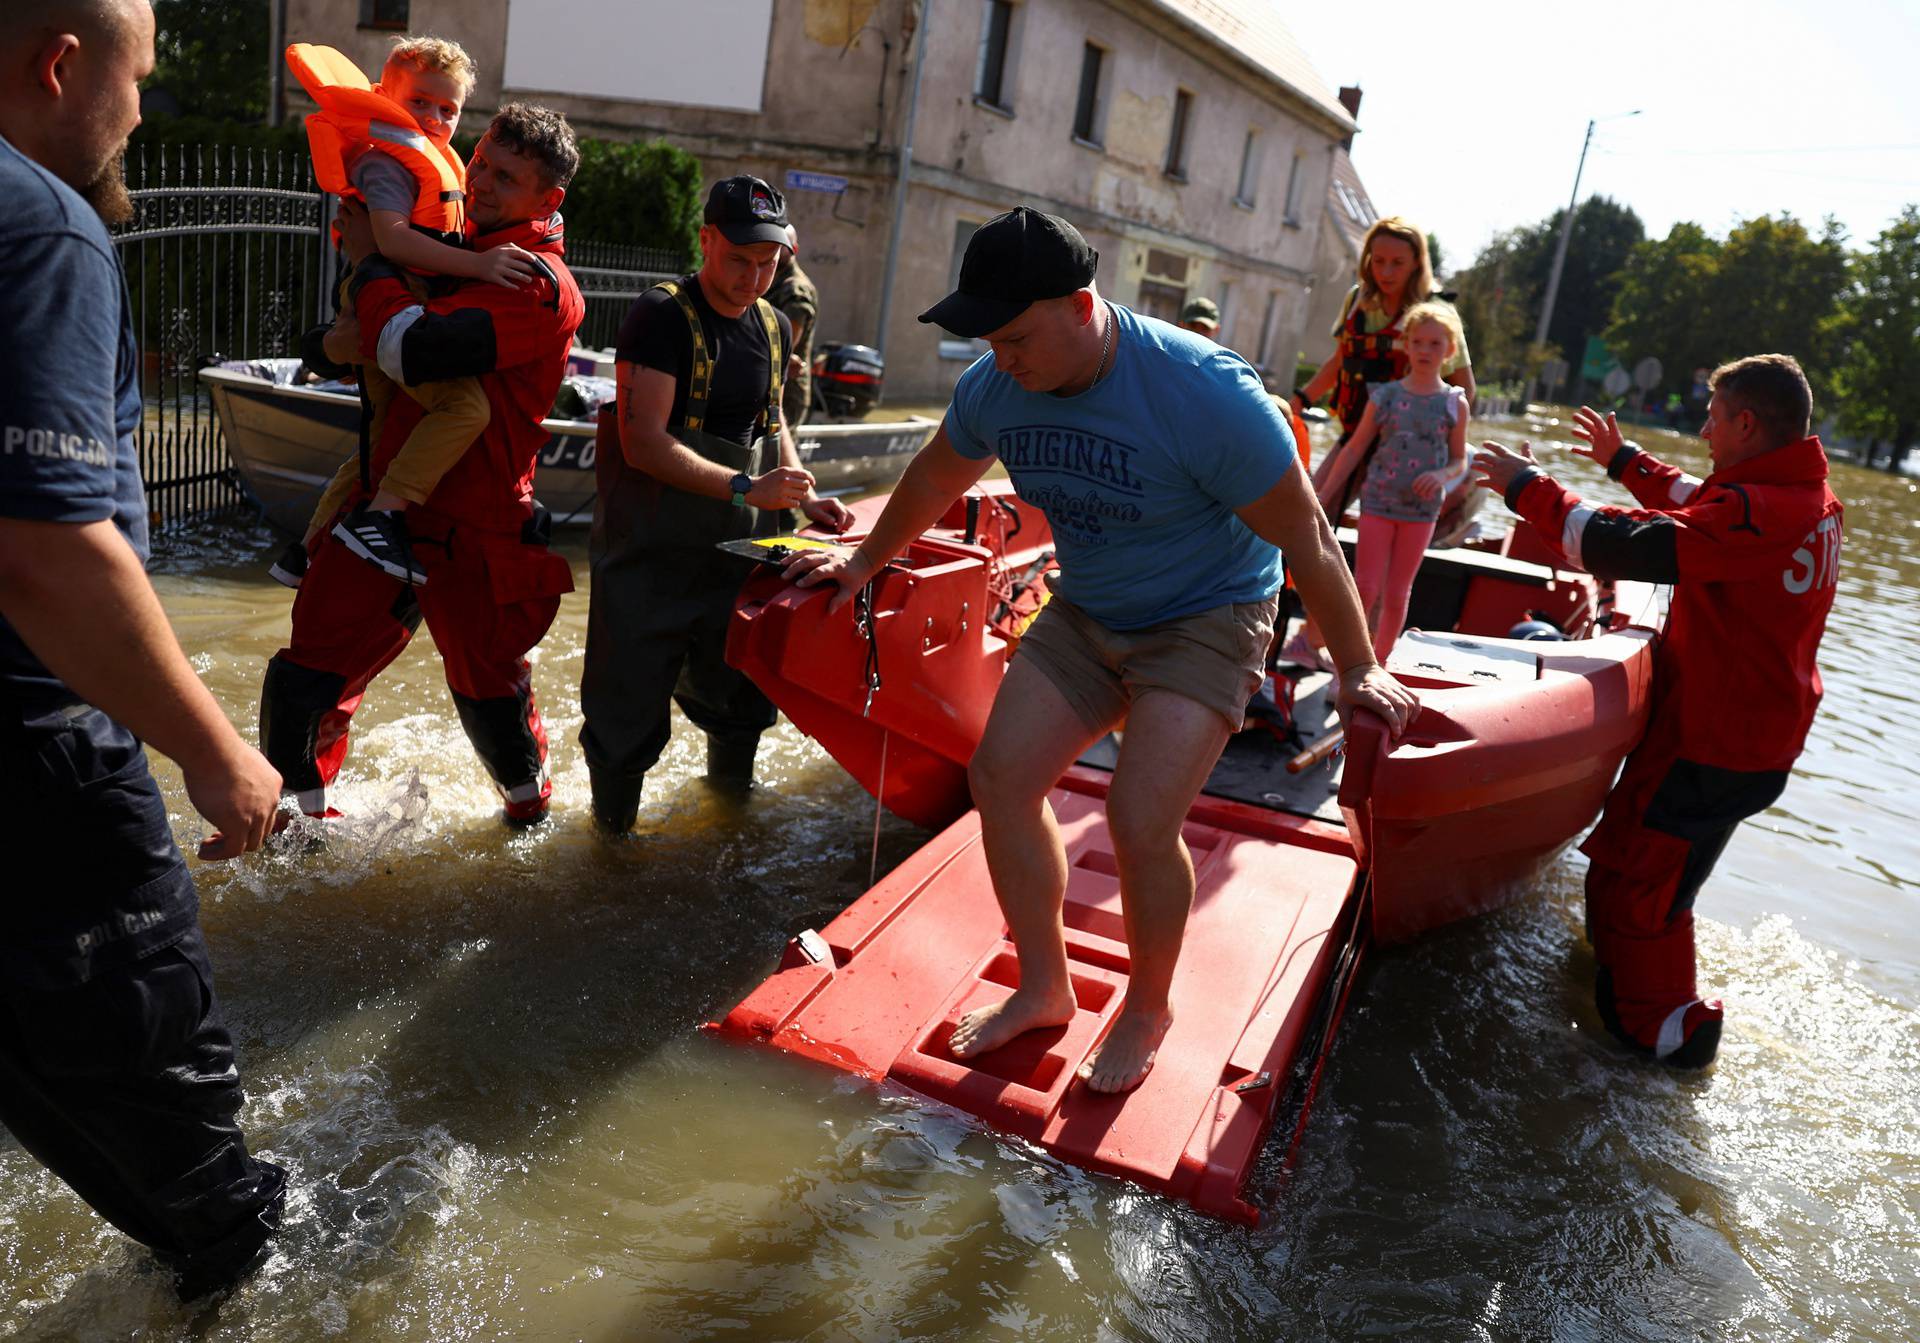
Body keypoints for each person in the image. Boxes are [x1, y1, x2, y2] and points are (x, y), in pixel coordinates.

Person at [782, 208, 1418, 1093]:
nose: (1001, 361)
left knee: (1138, 816)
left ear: (1082, 306)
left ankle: (1149, 1005)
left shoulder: (1203, 393)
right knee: (999, 778)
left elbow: (1309, 536)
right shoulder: (999, 383)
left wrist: (1357, 668)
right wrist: (860, 563)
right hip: (1086, 608)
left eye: (1015, 338)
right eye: (988, 342)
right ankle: (1045, 987)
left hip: (1207, 615)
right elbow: (936, 473)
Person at [0, 0, 287, 1299]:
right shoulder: (42, 223)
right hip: (40, 777)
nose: (139, 112)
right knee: (220, 1212)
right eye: (138, 78)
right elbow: (48, 555)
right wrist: (217, 751)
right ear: (64, 64)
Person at [1472, 357, 1841, 1067]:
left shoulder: (1761, 512)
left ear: (1746, 423)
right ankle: (1628, 994)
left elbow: (1622, 546)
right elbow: (1703, 499)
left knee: (1643, 887)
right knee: (1638, 876)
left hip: (1715, 742)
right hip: (1747, 736)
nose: (1702, 430)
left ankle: (1667, 1039)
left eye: (1712, 416)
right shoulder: (1801, 494)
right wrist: (1626, 462)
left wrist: (1527, 488)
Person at [260, 104, 585, 825]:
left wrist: (372, 256)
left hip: (478, 524)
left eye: (505, 177)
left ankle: (529, 821)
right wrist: (339, 334)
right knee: (304, 677)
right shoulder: (440, 239)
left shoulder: (537, 282)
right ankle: (295, 846)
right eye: (478, 164)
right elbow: (332, 345)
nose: (481, 183)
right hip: (386, 506)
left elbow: (414, 350)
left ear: (548, 200)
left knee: (490, 692)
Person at [579, 176, 852, 833]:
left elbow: (773, 415)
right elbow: (642, 442)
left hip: (735, 559)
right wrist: (742, 487)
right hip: (648, 556)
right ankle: (608, 852)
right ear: (706, 240)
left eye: (768, 263)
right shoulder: (661, 316)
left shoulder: (776, 323)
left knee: (740, 702)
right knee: (625, 719)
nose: (752, 278)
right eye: (738, 259)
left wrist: (802, 488)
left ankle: (729, 826)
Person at [273, 36, 543, 589]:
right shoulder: (387, 162)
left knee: (377, 446)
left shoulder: (425, 157)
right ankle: (380, 518)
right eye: (420, 103)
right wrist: (481, 266)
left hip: (396, 298)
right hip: (379, 297)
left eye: (448, 109)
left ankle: (303, 552)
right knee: (465, 412)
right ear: (385, 96)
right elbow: (392, 242)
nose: (435, 117)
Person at [1312, 303, 1470, 658]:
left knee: (1398, 593)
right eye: (1418, 342)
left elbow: (1459, 460)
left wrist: (1441, 475)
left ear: (1450, 350)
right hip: (1379, 501)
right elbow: (1353, 450)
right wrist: (1323, 494)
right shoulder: (1386, 396)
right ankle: (1350, 665)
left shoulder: (1454, 403)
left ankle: (1379, 664)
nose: (1426, 351)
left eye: (1435, 343)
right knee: (1365, 585)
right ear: (1406, 345)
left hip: (1421, 510)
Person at [766, 223, 818, 430]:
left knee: (775, 455)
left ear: (794, 249)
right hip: (770, 382)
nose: (775, 250)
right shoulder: (771, 279)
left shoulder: (795, 289)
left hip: (787, 390)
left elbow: (786, 343)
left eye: (782, 245)